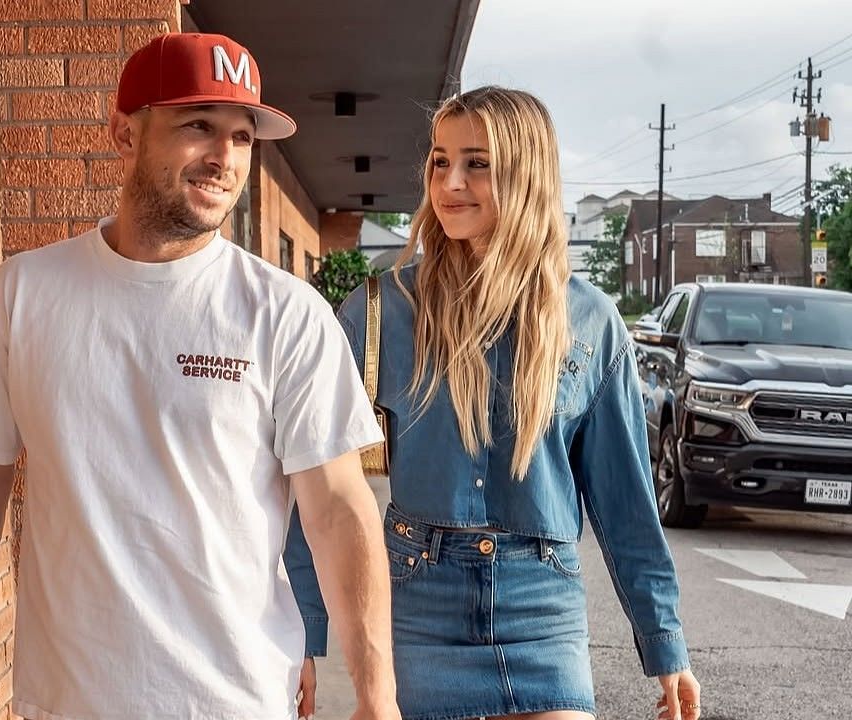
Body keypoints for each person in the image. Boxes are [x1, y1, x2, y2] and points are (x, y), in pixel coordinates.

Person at [0, 32, 399, 720]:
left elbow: (337, 508)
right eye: (198, 125)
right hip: (69, 698)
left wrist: (377, 696)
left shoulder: (285, 314)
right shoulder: (25, 293)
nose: (224, 158)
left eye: (242, 136)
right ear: (124, 132)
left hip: (238, 698)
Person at [285, 86, 702, 720]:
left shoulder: (590, 320)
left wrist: (665, 642)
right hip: (418, 600)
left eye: (477, 162)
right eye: (439, 160)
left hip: (544, 604)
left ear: (526, 172)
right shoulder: (382, 310)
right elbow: (318, 485)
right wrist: (304, 637)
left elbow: (626, 502)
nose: (450, 182)